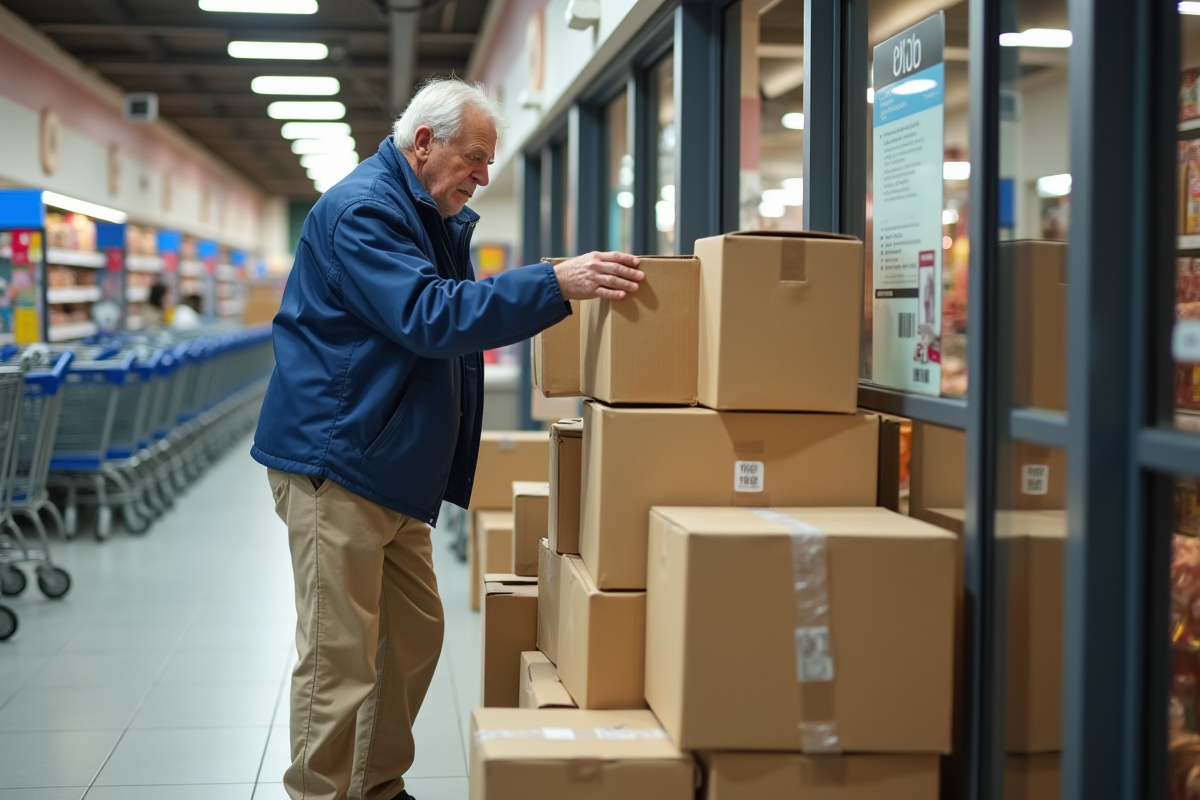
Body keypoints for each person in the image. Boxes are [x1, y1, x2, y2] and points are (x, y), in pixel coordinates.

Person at [251, 77, 643, 800]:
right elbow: (431, 316)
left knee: (410, 639)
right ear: (423, 142)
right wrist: (553, 282)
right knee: (340, 657)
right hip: (338, 459)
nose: (483, 176)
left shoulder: (425, 215)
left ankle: (375, 784)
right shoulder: (365, 209)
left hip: (390, 463)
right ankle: (320, 792)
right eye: (474, 156)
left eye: (487, 162)